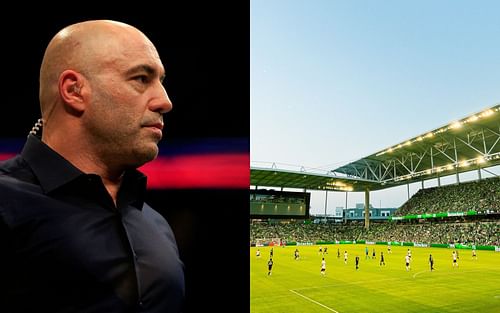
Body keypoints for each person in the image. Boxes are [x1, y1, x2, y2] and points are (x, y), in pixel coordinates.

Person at [0, 20, 185, 313]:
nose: (165, 101)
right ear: (74, 90)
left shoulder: (155, 223)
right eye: (141, 78)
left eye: (162, 81)